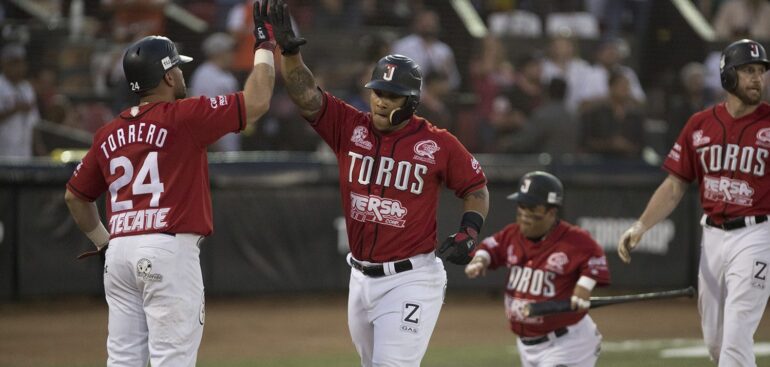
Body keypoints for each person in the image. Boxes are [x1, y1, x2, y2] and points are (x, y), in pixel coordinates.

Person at [268, 1, 490, 365]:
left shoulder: (438, 143)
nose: (381, 101)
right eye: (377, 92)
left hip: (411, 278)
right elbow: (306, 95)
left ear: (412, 101)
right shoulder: (349, 126)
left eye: (392, 95)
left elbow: (476, 187)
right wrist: (290, 54)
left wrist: (469, 230)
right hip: (360, 278)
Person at [63, 2, 276, 365]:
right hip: (167, 250)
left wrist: (105, 243)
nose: (181, 74)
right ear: (166, 76)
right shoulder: (184, 116)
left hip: (121, 254)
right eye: (177, 67)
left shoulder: (106, 133)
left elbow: (75, 197)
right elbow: (256, 101)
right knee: (172, 359)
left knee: (124, 361)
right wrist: (264, 45)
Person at [618, 39, 770, 367]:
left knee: (736, 336)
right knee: (716, 342)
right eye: (748, 71)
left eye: (761, 71)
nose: (758, 78)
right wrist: (641, 225)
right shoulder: (699, 125)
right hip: (713, 236)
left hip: (756, 236)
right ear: (728, 76)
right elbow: (675, 186)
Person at [465, 171, 610, 367]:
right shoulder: (512, 234)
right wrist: (480, 260)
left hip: (567, 343)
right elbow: (491, 246)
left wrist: (584, 286)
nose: (525, 213)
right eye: (522, 205)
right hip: (527, 345)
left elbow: (595, 256)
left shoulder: (574, 239)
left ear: (551, 212)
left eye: (532, 207)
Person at [189, 32, 241, 151]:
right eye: (229, 51)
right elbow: (203, 114)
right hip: (216, 147)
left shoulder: (226, 74)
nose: (233, 55)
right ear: (218, 53)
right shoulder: (205, 74)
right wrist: (214, 146)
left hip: (230, 140)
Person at [0, 43, 40, 158]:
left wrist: (38, 149)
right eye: (14, 63)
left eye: (21, 63)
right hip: (3, 153)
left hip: (24, 152)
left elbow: (34, 123)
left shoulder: (27, 88)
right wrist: (15, 109)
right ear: (4, 64)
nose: (18, 67)